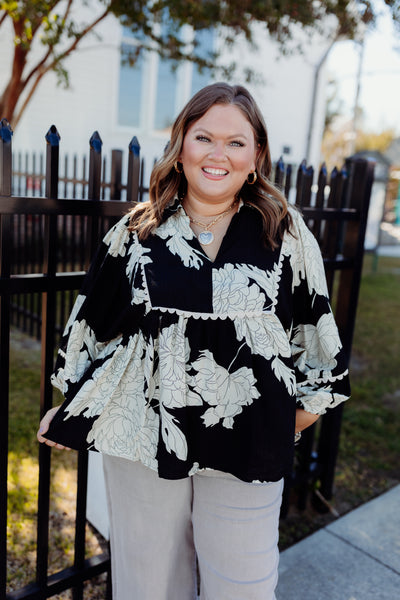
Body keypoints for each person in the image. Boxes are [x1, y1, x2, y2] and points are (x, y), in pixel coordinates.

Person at [38, 82, 350, 600]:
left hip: (247, 442)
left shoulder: (285, 232)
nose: (217, 154)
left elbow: (317, 335)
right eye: (204, 137)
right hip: (143, 435)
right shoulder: (138, 230)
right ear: (181, 146)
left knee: (243, 586)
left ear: (256, 157)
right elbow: (89, 323)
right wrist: (72, 405)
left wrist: (288, 419)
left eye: (236, 142)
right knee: (149, 581)